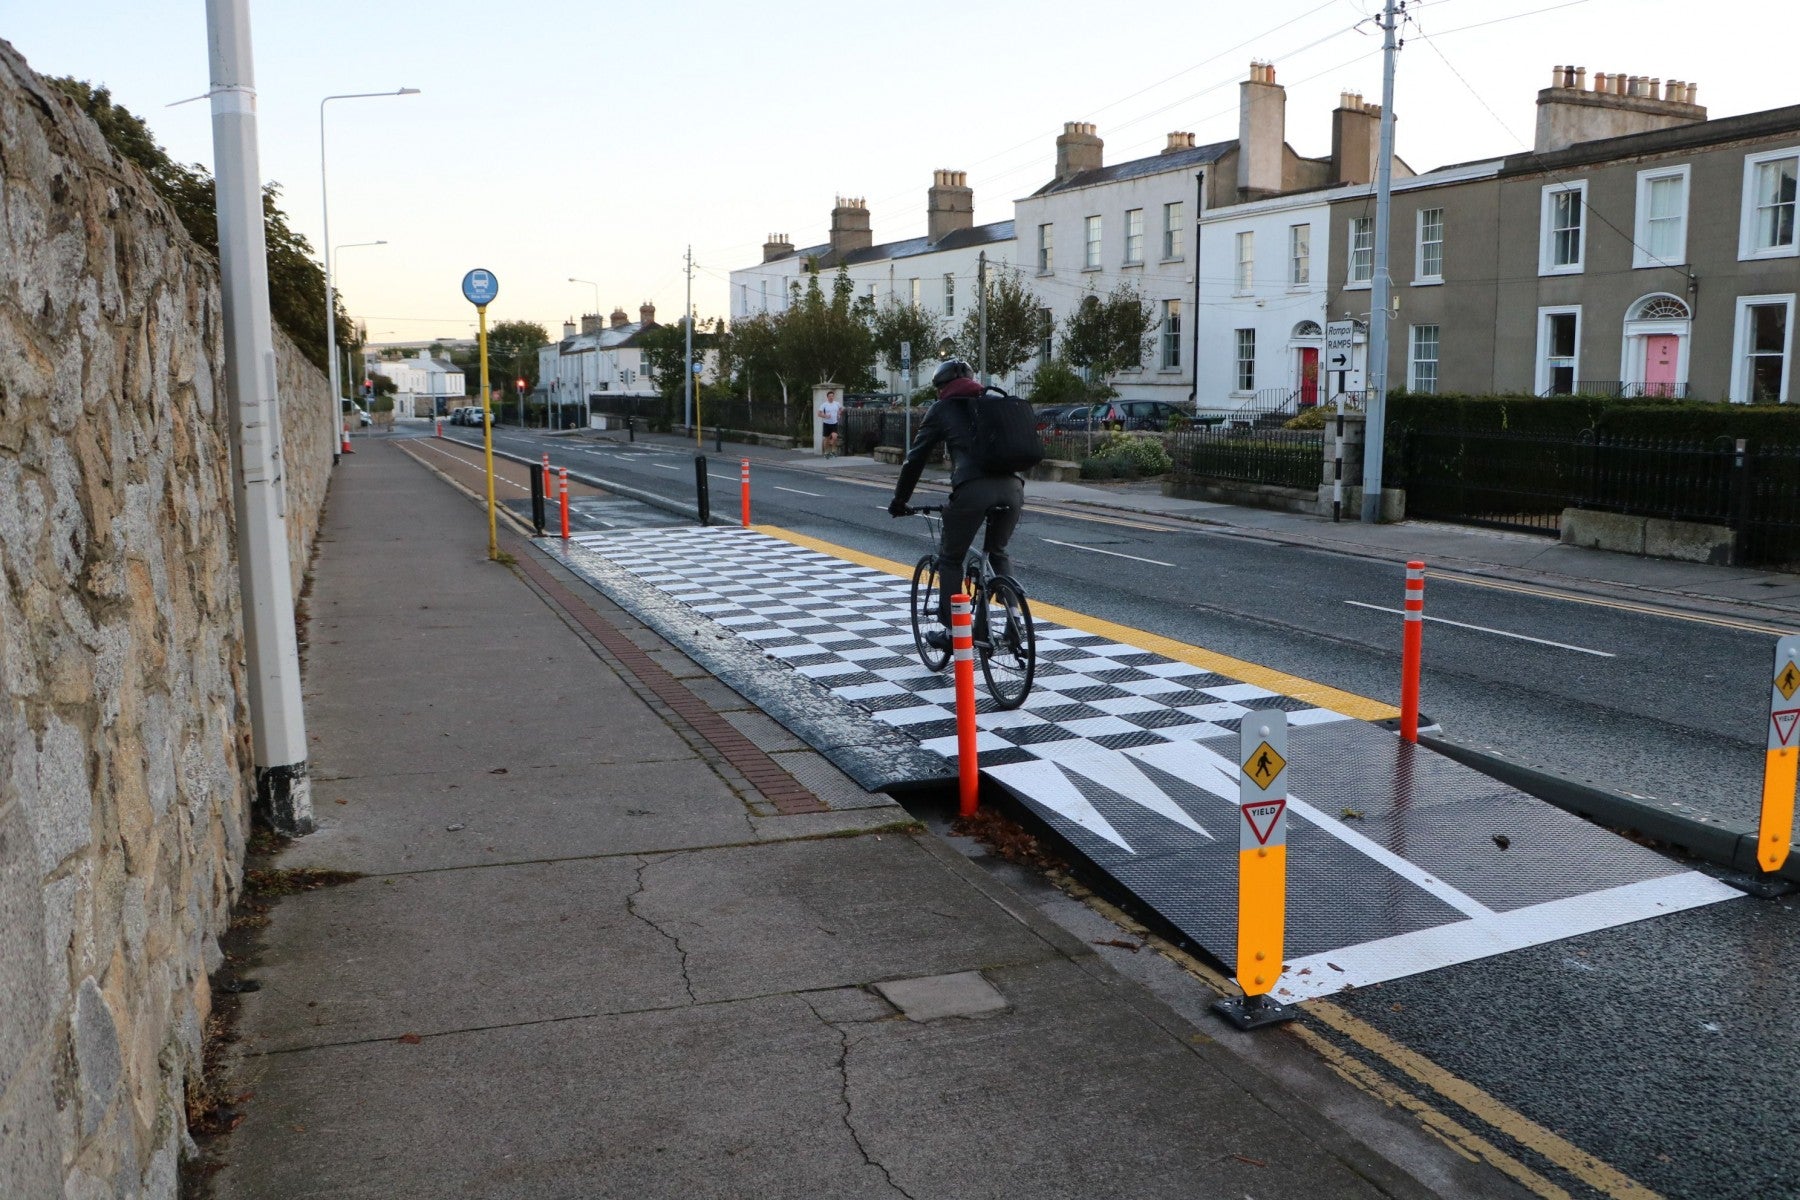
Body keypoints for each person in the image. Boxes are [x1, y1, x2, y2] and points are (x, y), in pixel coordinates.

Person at [887, 360, 1024, 651]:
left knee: (951, 558)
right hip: (1013, 489)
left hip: (973, 489)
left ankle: (953, 632)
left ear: (941, 388)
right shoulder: (993, 401)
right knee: (997, 551)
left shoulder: (942, 409)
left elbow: (915, 459)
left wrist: (900, 500)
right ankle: (1015, 622)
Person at [818, 389, 843, 457]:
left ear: (833, 397)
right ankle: (826, 452)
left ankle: (833, 450)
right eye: (830, 396)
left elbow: (841, 409)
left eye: (832, 396)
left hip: (834, 423)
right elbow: (819, 414)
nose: (831, 397)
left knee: (835, 437)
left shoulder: (837, 404)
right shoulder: (824, 405)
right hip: (826, 423)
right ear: (827, 397)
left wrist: (839, 414)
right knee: (826, 438)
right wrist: (825, 416)